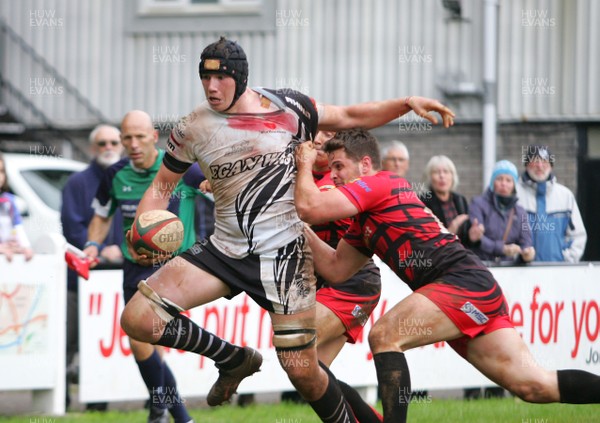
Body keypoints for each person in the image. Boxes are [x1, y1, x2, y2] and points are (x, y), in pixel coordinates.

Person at [118, 37, 454, 423]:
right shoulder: (193, 127)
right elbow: (161, 187)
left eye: (221, 78)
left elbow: (348, 117)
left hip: (285, 257)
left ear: (241, 78)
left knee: (303, 371)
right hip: (225, 250)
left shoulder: (288, 106)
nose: (211, 88)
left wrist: (406, 104)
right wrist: (142, 226)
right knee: (138, 318)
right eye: (204, 78)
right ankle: (232, 358)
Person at [294, 128, 600, 423]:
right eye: (330, 168)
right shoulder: (363, 220)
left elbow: (309, 206)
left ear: (364, 164)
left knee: (385, 335)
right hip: (466, 287)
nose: (333, 175)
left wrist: (305, 164)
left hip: (461, 282)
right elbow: (335, 268)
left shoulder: (378, 183)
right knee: (535, 386)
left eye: (339, 166)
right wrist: (299, 230)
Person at [83, 111, 202, 423]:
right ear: (122, 141)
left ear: (153, 136)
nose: (133, 144)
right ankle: (164, 411)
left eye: (140, 136)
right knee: (146, 344)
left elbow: (215, 188)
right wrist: (92, 244)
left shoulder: (180, 169)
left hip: (174, 270)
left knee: (142, 338)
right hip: (134, 269)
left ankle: (174, 413)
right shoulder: (114, 175)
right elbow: (100, 216)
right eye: (127, 138)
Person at [61, 124, 124, 411]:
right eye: (102, 143)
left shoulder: (131, 181)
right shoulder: (76, 183)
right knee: (70, 342)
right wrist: (97, 248)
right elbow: (72, 229)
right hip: (81, 281)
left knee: (106, 344)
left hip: (122, 279)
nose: (108, 147)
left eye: (114, 141)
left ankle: (100, 405)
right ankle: (60, 400)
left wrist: (121, 250)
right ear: (92, 148)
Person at [516, 145, 586, 262]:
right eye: (535, 161)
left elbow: (578, 235)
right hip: (520, 271)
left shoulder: (565, 196)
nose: (540, 166)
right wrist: (515, 258)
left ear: (551, 166)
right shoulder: (515, 195)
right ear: (527, 165)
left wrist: (566, 259)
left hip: (557, 271)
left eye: (544, 161)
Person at [470, 160, 535, 264]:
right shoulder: (477, 204)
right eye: (499, 179)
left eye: (509, 180)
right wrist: (502, 249)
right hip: (481, 267)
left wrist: (527, 253)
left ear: (514, 185)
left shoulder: (520, 211)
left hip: (509, 271)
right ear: (492, 182)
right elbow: (478, 239)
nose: (503, 184)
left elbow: (526, 241)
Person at [420, 155, 484, 246]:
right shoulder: (423, 202)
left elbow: (466, 239)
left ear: (453, 176)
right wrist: (451, 229)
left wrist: (472, 236)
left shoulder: (460, 200)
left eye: (446, 172)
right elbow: (425, 241)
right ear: (429, 177)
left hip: (460, 254)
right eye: (436, 172)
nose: (442, 176)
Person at [0, 152, 33, 262]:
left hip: (9, 255)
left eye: (1, 171)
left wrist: (25, 246)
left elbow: (17, 225)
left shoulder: (9, 201)